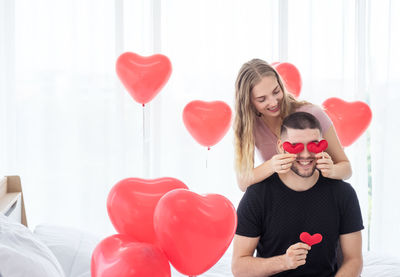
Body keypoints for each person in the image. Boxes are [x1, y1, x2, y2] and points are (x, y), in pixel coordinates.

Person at [231, 112, 363, 277]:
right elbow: (239, 267)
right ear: (281, 147)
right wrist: (284, 262)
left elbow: (354, 259)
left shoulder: (343, 193)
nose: (306, 155)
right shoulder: (257, 195)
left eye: (313, 145)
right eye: (297, 146)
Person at [234, 59, 352, 191]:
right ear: (249, 102)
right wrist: (272, 166)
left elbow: (347, 169)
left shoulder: (313, 114)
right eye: (262, 99)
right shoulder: (250, 126)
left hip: (321, 195)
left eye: (276, 91)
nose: (273, 102)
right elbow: (243, 183)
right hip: (281, 198)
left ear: (281, 85)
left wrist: (332, 170)